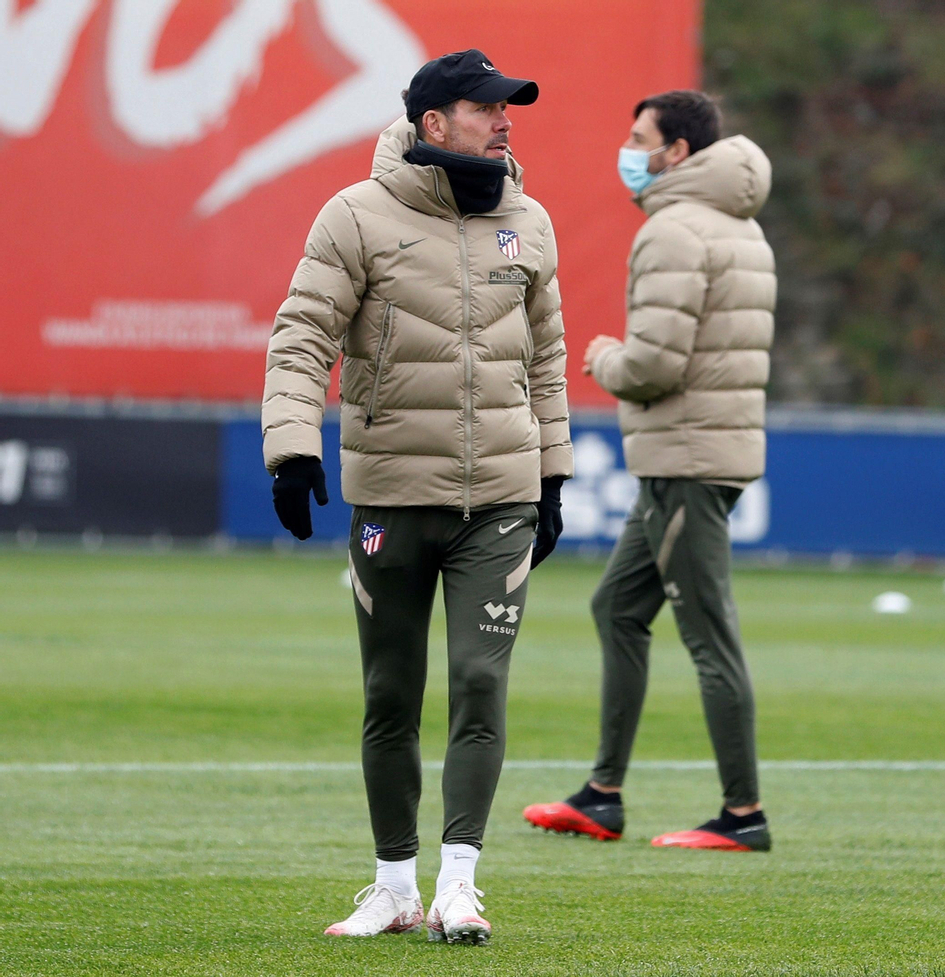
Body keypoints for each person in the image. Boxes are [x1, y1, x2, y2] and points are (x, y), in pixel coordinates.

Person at [261, 49, 572, 943]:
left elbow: (546, 356)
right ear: (435, 124)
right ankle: (393, 886)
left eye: (509, 107)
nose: (506, 120)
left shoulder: (532, 221)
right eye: (488, 108)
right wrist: (291, 449)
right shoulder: (355, 215)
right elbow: (301, 335)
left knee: (480, 681)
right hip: (392, 494)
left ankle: (460, 884)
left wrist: (552, 474)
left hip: (502, 499)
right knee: (391, 692)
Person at [521, 91, 776, 852]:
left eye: (639, 138)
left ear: (676, 152)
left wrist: (601, 357)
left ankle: (742, 815)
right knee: (617, 608)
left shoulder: (672, 229)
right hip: (703, 452)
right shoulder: (741, 224)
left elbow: (655, 365)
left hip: (684, 458)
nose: (627, 151)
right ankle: (602, 795)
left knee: (709, 635)